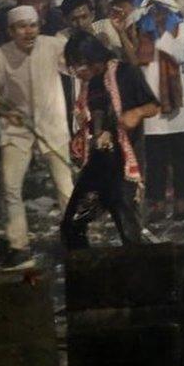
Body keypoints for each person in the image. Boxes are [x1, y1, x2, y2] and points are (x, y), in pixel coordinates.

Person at [0, 5, 74, 269]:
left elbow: (78, 66)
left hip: (52, 126)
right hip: (17, 130)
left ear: (39, 27)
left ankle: (73, 240)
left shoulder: (54, 46)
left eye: (33, 25)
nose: (28, 31)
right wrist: (7, 112)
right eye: (22, 26)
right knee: (11, 188)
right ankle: (18, 246)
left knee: (65, 187)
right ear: (11, 31)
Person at [60, 32, 159, 249]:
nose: (76, 72)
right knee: (73, 222)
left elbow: (153, 105)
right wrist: (97, 133)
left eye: (79, 66)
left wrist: (136, 113)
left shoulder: (126, 73)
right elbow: (97, 111)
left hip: (124, 162)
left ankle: (139, 274)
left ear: (93, 60)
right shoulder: (92, 82)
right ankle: (84, 271)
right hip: (98, 163)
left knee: (128, 227)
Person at [133, 0, 184, 221]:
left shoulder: (180, 26)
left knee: (183, 155)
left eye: (161, 9)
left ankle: (182, 201)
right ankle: (157, 203)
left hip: (180, 103)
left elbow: (179, 54)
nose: (157, 14)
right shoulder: (141, 29)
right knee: (156, 157)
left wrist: (162, 33)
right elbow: (133, 59)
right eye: (153, 10)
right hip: (153, 102)